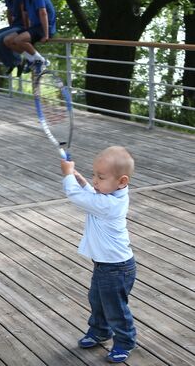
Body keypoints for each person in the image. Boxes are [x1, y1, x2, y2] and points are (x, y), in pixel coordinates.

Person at [60, 146, 137, 364]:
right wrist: (83, 181)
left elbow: (77, 197)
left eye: (100, 177)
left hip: (117, 268)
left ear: (122, 181)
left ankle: (125, 341)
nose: (95, 180)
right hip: (106, 265)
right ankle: (100, 331)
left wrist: (68, 175)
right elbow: (92, 195)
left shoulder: (110, 204)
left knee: (115, 308)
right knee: (97, 300)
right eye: (94, 175)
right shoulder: (109, 195)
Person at [4, 0, 56, 76]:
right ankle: (33, 60)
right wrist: (26, 29)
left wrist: (46, 35)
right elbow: (26, 14)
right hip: (34, 27)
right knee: (8, 40)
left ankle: (41, 61)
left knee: (19, 40)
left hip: (45, 26)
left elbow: (43, 13)